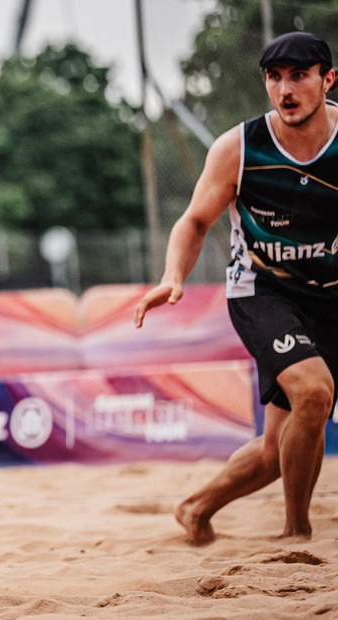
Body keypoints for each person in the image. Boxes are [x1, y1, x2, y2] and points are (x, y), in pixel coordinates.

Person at [134, 32, 338, 545]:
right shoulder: (239, 148)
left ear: (328, 80)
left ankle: (196, 507)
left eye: (299, 76)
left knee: (278, 446)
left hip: (330, 295)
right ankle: (297, 533)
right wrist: (173, 276)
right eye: (274, 78)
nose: (285, 90)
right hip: (262, 290)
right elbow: (194, 221)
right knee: (314, 392)